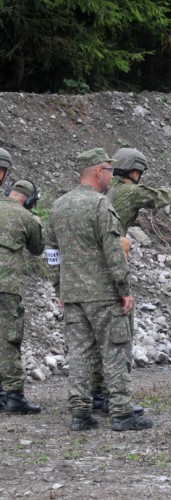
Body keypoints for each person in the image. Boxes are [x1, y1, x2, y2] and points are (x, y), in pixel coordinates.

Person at [45, 148, 152, 432]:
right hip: (104, 294)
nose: (110, 175)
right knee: (116, 351)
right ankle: (121, 413)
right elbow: (113, 250)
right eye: (107, 169)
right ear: (96, 171)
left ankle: (80, 413)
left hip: (73, 294)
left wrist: (59, 286)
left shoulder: (58, 206)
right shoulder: (100, 205)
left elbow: (51, 253)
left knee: (79, 354)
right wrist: (124, 288)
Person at [87, 147, 171, 414]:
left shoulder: (107, 192)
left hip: (95, 270)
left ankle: (99, 394)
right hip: (113, 268)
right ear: (134, 172)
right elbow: (153, 197)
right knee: (121, 334)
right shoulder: (128, 191)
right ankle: (117, 397)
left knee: (100, 336)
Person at [0, 155, 44, 415]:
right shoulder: (26, 218)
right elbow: (38, 249)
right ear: (29, 200)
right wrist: (34, 221)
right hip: (6, 287)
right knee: (9, 339)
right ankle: (14, 395)